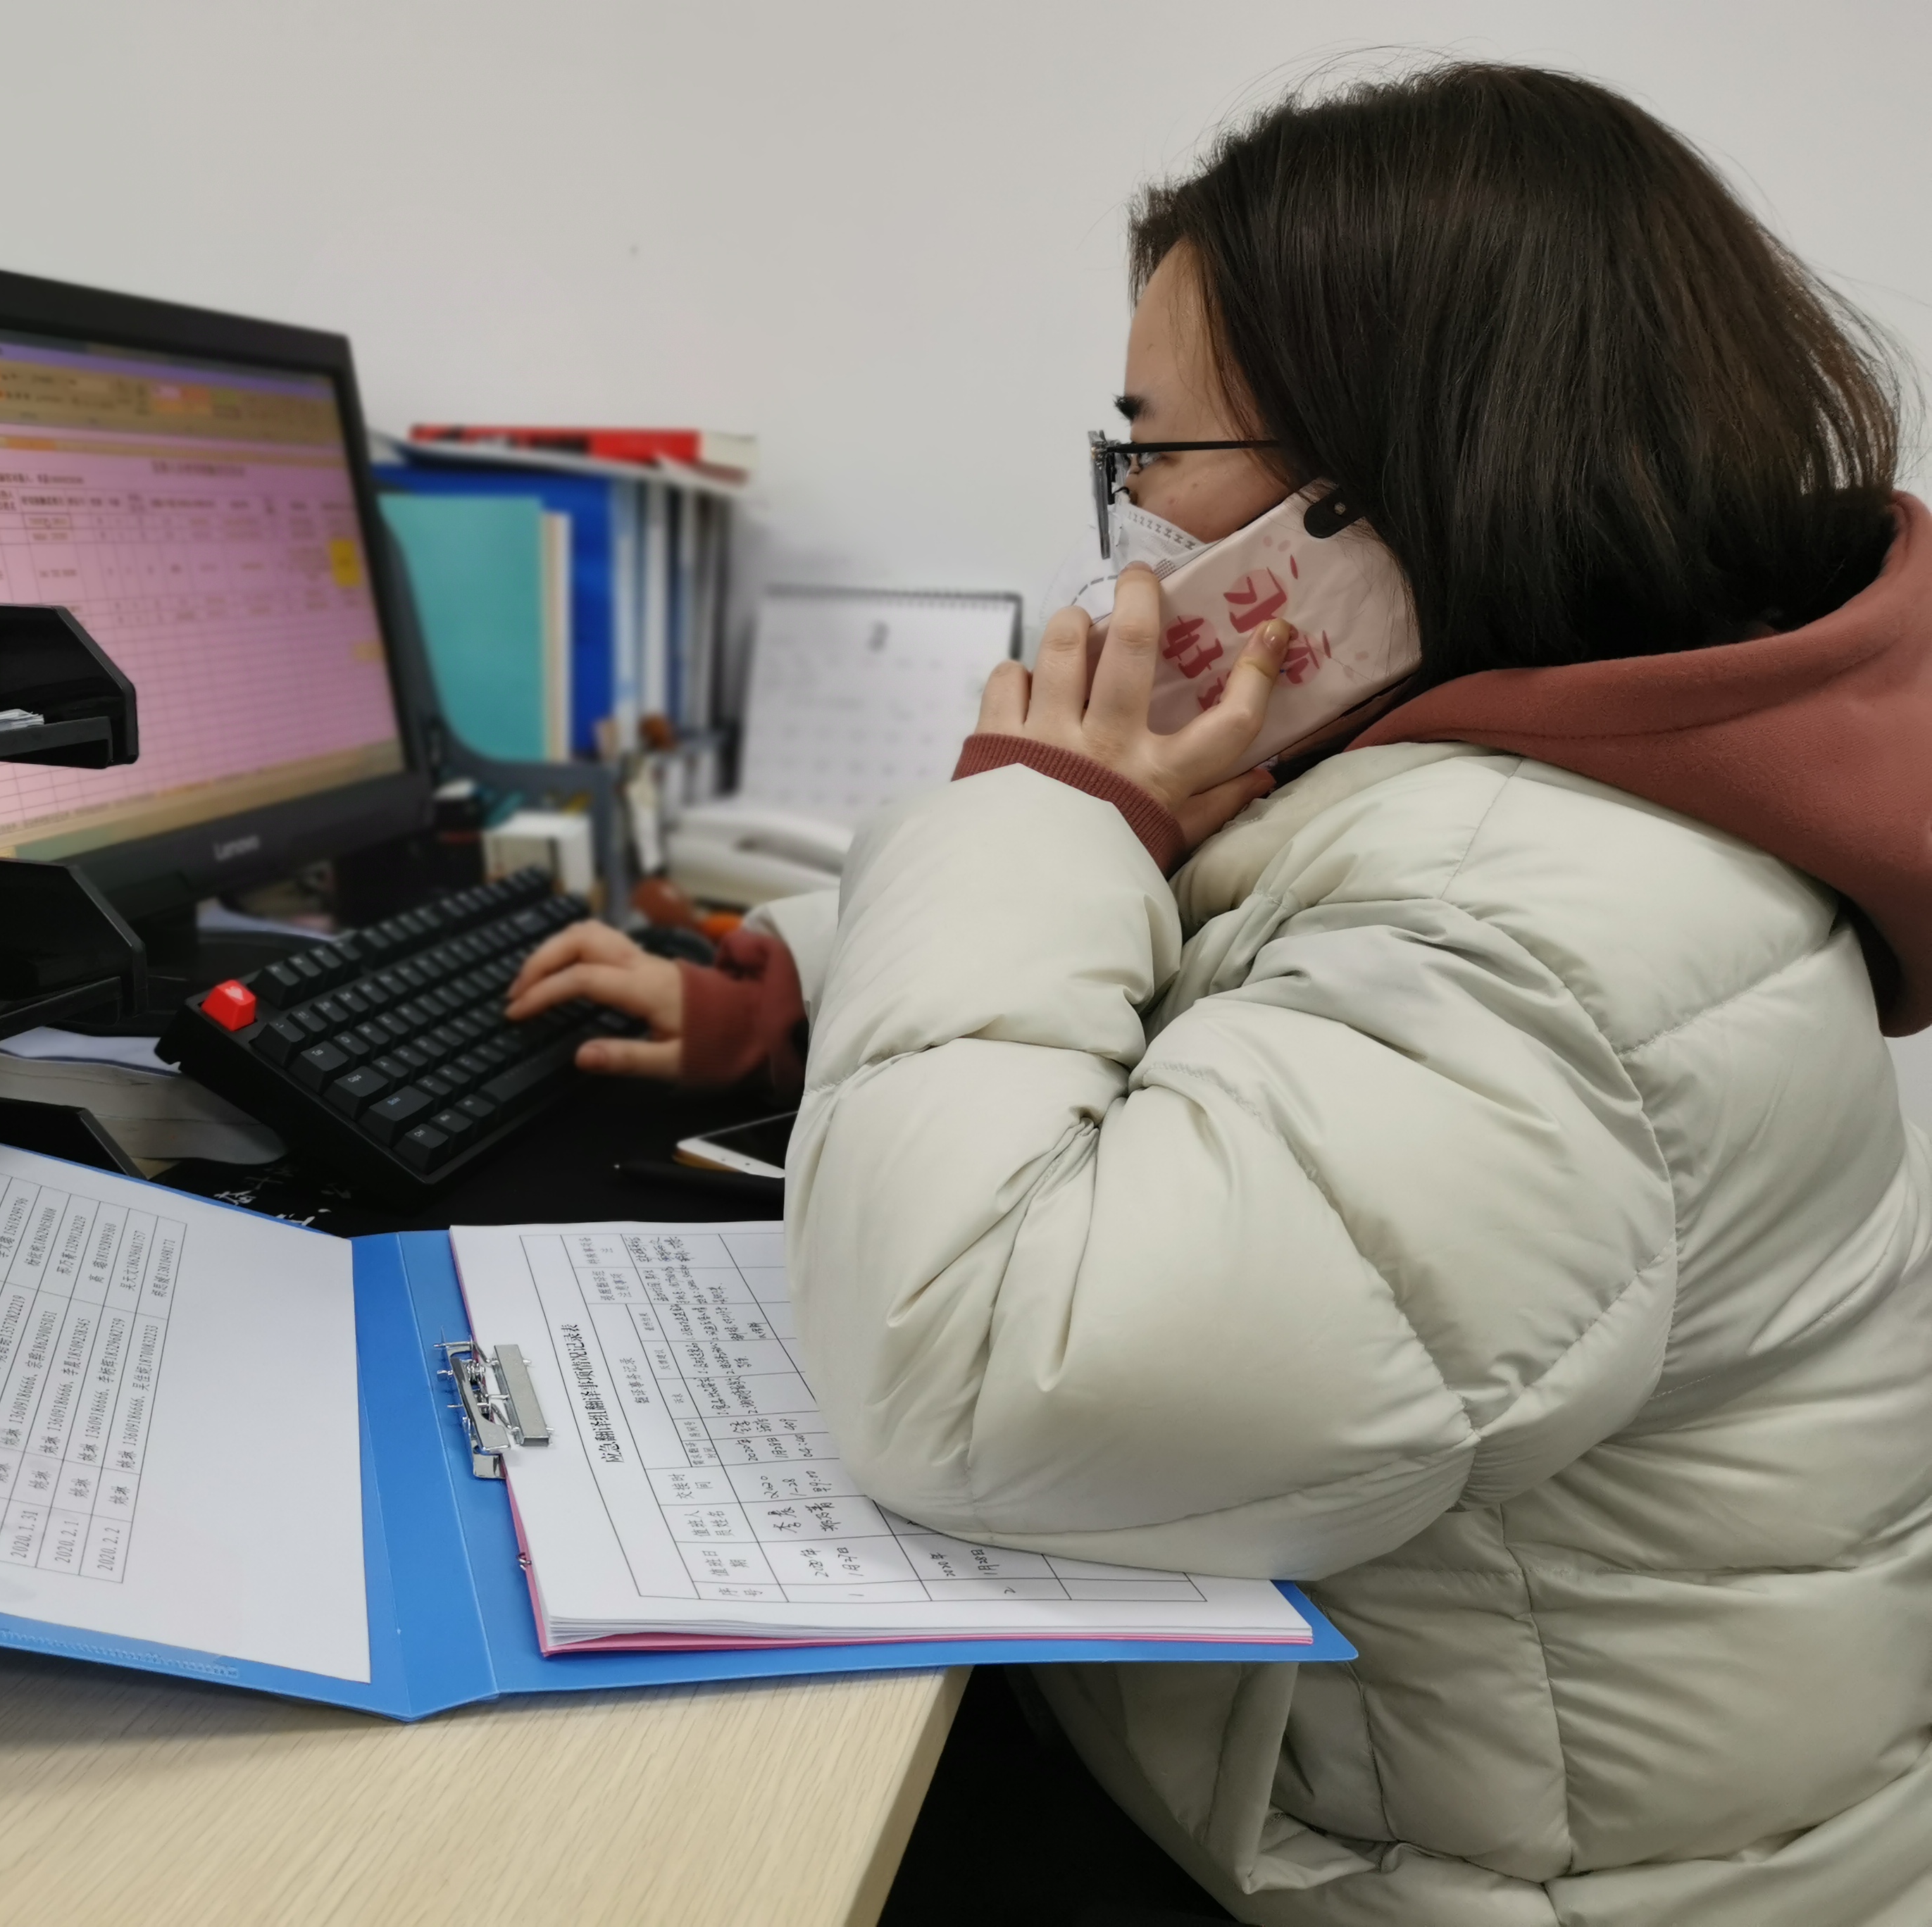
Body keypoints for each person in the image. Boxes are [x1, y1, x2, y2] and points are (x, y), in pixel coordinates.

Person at [507, 61, 1932, 1927]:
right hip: (1345, 1779)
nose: (1135, 532)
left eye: (1157, 456)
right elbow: (1235, 946)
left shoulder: (1547, 929)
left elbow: (984, 1385)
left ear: (1377, 489)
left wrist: (1038, 818)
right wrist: (793, 988)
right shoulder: (1495, 782)